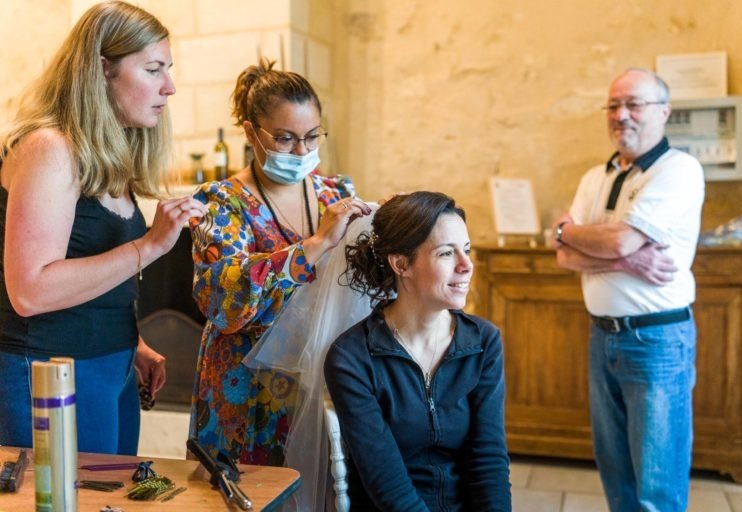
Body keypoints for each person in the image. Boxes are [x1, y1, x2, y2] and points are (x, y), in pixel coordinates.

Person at [0, 1, 206, 455]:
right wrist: (151, 245)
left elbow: (91, 277)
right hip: (49, 372)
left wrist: (132, 343)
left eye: (168, 69)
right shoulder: (49, 148)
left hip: (110, 367)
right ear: (102, 71)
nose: (169, 87)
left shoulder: (108, 159)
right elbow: (30, 291)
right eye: (153, 69)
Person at [187, 58, 371, 470]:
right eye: (286, 138)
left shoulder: (335, 192)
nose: (302, 151)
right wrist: (316, 243)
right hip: (244, 385)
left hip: (319, 374)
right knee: (246, 488)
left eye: (312, 137)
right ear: (252, 132)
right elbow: (224, 297)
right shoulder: (220, 202)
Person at [552, 68, 704, 512]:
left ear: (664, 111)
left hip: (656, 342)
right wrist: (626, 258)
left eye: (634, 104)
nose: (622, 115)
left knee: (657, 484)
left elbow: (610, 238)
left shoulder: (678, 170)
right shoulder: (593, 178)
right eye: (614, 105)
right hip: (602, 337)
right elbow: (563, 254)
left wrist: (572, 232)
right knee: (616, 473)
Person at [324, 191, 512, 511]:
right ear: (401, 263)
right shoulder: (352, 358)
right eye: (446, 254)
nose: (467, 266)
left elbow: (488, 458)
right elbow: (386, 482)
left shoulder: (483, 341)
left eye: (466, 250)